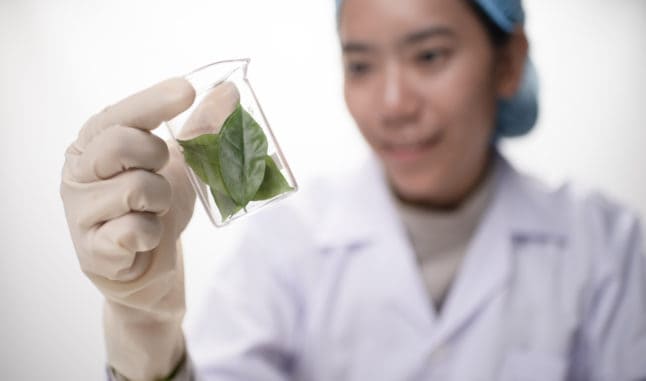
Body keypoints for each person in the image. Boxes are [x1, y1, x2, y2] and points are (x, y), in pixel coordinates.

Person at [60, 0, 646, 380]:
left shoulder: (609, 248)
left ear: (509, 62)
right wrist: (146, 327)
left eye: (429, 55)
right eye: (361, 66)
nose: (392, 104)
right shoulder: (287, 245)